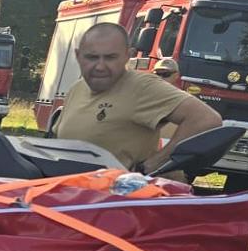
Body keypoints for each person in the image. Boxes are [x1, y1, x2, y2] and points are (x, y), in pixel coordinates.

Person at [54, 23, 221, 173]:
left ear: (128, 55)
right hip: (75, 197)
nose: (100, 66)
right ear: (78, 56)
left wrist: (154, 163)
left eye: (110, 57)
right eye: (91, 57)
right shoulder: (77, 88)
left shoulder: (142, 86)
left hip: (119, 200)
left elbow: (207, 119)